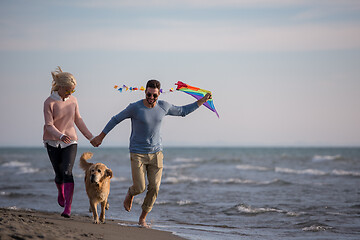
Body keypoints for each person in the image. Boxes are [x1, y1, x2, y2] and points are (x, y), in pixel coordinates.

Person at [90, 79, 211, 227]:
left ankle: (142, 218)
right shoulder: (135, 108)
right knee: (140, 187)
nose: (151, 98)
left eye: (154, 95)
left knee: (154, 188)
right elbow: (115, 119)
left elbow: (183, 111)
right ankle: (131, 192)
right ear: (145, 92)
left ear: (158, 94)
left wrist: (202, 100)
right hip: (137, 154)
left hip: (156, 154)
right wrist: (100, 137)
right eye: (149, 94)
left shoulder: (163, 106)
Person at [43, 66, 94, 218]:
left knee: (67, 172)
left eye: (73, 90)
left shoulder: (73, 100)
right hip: (52, 140)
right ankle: (60, 191)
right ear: (60, 87)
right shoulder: (49, 102)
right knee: (59, 174)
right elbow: (48, 125)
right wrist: (59, 135)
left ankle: (68, 208)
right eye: (68, 90)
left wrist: (90, 137)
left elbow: (78, 119)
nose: (70, 93)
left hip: (70, 141)